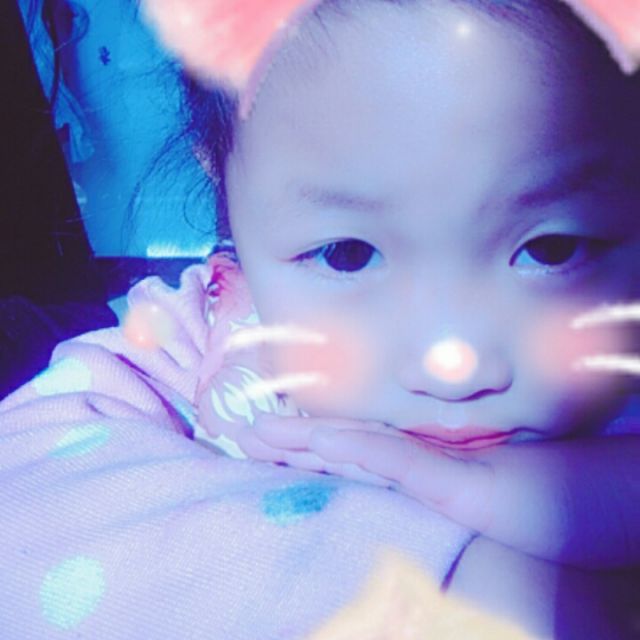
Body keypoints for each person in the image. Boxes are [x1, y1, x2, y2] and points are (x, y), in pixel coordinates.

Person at [1, 0, 639, 637]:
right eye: (347, 254)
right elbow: (21, 494)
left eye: (553, 248)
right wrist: (453, 576)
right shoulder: (217, 327)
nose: (452, 366)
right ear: (227, 191)